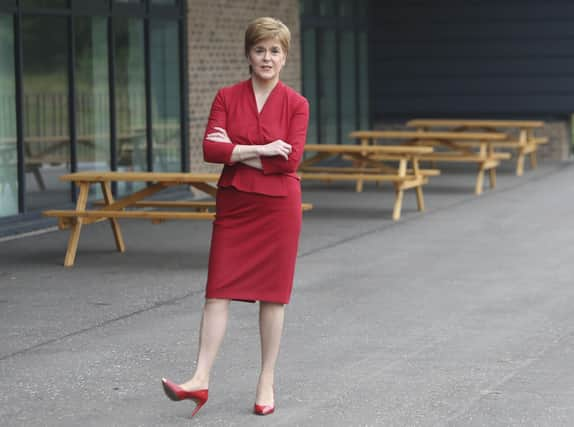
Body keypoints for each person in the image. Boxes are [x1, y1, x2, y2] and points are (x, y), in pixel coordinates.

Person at [161, 16, 309, 418]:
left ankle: (266, 379)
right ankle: (200, 379)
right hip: (236, 206)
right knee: (217, 290)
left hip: (278, 209)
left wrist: (237, 150)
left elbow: (291, 159)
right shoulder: (227, 97)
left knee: (273, 297)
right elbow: (210, 150)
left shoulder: (297, 104)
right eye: (260, 49)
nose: (266, 57)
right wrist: (262, 149)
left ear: (284, 58)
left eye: (274, 51)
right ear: (248, 53)